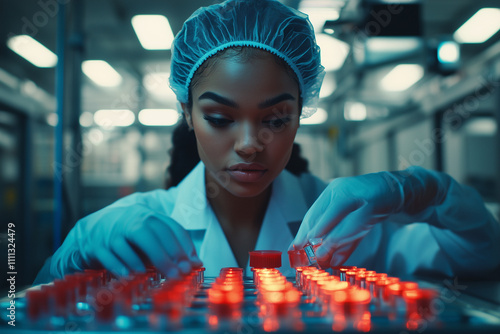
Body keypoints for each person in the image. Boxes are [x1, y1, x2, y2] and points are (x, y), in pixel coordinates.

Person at [35, 0, 500, 283]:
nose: (249, 144)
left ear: (300, 117)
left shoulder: (350, 225)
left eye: (276, 119)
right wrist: (70, 256)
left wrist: (427, 193)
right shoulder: (130, 227)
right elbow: (16, 316)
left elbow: (485, 257)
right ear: (187, 115)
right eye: (219, 117)